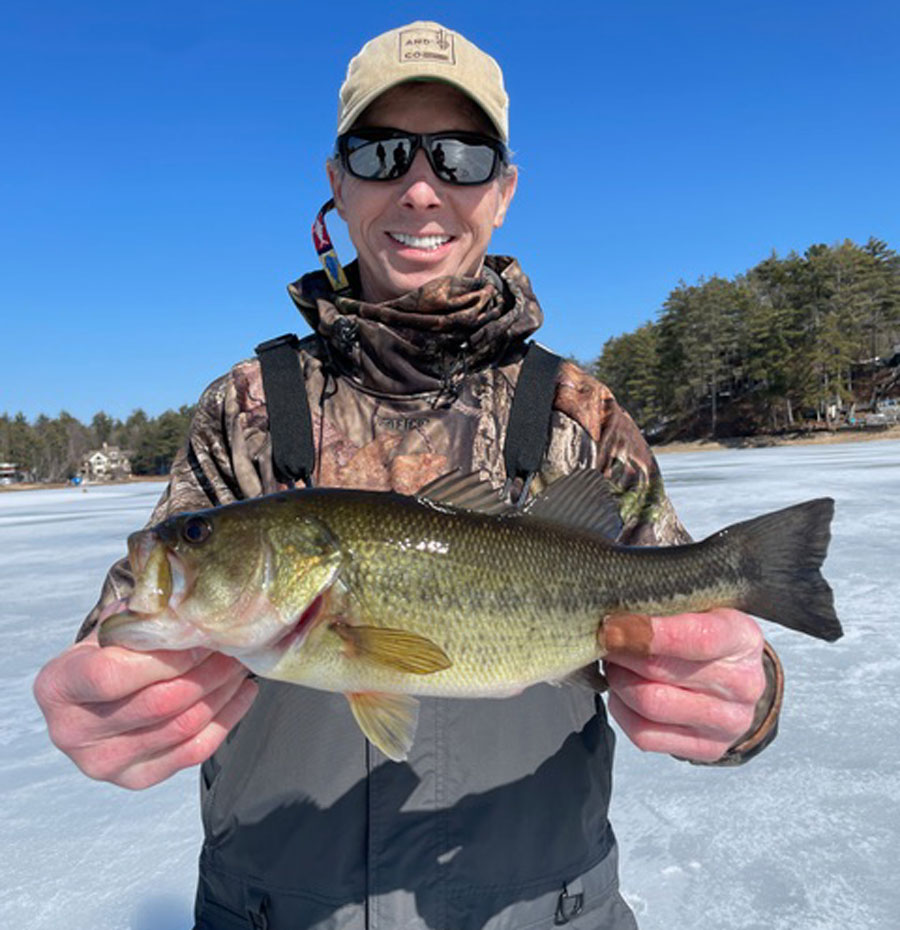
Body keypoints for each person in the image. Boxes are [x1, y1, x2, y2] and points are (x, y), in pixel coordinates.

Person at [34, 21, 782, 930]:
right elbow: (125, 623)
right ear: (337, 182)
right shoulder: (245, 408)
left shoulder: (578, 412)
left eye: (462, 157)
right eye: (382, 153)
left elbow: (695, 624)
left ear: (502, 192)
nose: (421, 188)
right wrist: (106, 696)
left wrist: (744, 705)